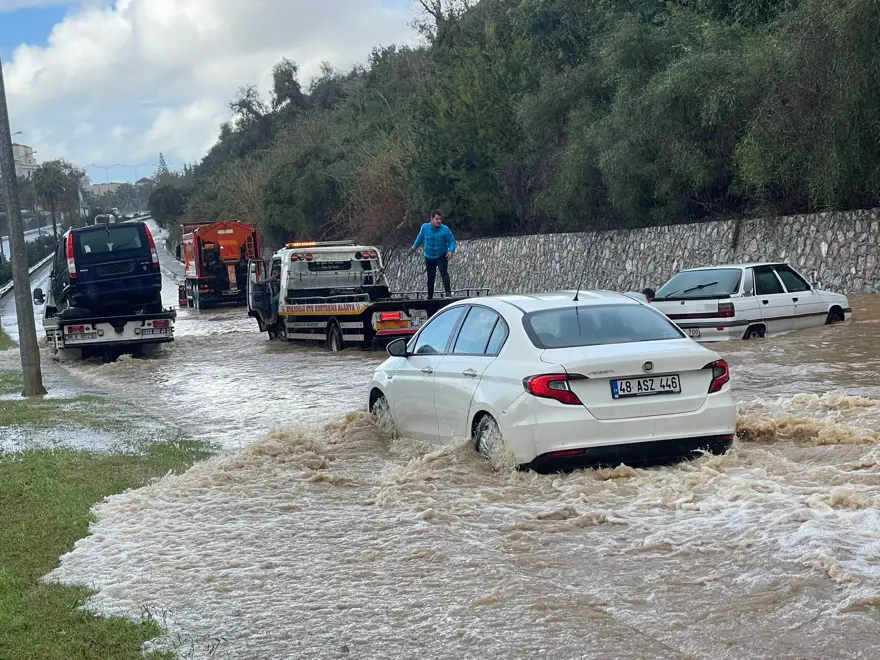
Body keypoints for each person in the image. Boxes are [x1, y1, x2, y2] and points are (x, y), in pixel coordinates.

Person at [409, 211, 455, 299]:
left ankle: (448, 293)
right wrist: (414, 246)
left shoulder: (445, 229)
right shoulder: (425, 227)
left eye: (440, 219)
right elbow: (420, 237)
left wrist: (451, 251)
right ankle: (430, 295)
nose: (439, 221)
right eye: (437, 219)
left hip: (441, 254)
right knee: (430, 276)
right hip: (429, 255)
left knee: (443, 272)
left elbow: (452, 241)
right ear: (432, 219)